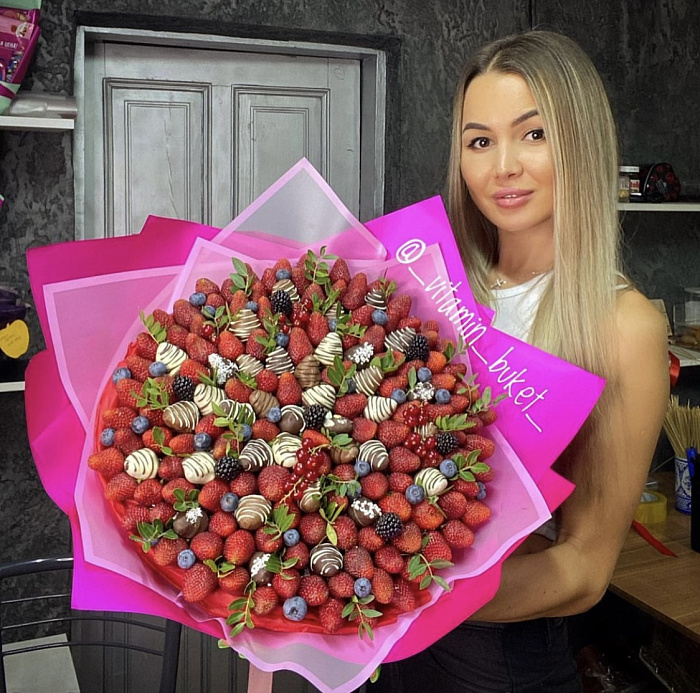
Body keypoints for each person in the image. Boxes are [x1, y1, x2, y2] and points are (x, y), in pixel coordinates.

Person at [372, 30, 669, 692]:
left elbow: (584, 568)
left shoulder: (626, 327)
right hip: (399, 655)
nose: (502, 166)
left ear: (579, 142)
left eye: (532, 134)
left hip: (501, 661)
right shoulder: (428, 289)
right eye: (480, 141)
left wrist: (412, 602)